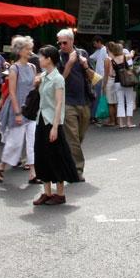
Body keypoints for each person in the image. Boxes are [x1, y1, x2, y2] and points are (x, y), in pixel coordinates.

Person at [32, 44, 79, 205]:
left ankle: (60, 193)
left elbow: (59, 103)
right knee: (42, 155)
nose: (39, 59)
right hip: (41, 119)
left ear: (49, 59)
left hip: (53, 121)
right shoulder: (44, 76)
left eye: (41, 56)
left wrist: (55, 126)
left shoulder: (58, 78)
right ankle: (47, 192)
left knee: (56, 156)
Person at [0, 35, 37, 183]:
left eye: (30, 48)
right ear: (20, 51)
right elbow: (11, 92)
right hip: (17, 108)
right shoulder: (14, 68)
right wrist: (17, 112)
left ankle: (33, 172)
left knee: (32, 141)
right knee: (15, 142)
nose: (30, 51)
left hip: (31, 110)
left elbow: (33, 89)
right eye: (27, 48)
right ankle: (1, 165)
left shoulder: (32, 67)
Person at [55, 28, 91, 182]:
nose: (62, 45)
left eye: (64, 42)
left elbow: (92, 76)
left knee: (78, 137)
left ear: (72, 41)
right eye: (60, 42)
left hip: (84, 101)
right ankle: (77, 170)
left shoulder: (82, 53)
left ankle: (67, 160)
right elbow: (59, 81)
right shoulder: (57, 57)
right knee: (74, 139)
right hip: (67, 102)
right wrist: (69, 64)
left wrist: (85, 65)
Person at [104, 41, 136, 127]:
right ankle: (129, 122)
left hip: (117, 82)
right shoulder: (125, 57)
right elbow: (132, 55)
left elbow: (111, 73)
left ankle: (121, 123)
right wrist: (132, 51)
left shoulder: (112, 60)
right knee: (129, 101)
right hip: (127, 82)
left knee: (120, 102)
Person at [87, 37, 108, 124]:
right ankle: (93, 116)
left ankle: (94, 115)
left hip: (100, 76)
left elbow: (91, 58)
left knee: (97, 97)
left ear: (99, 42)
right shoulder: (99, 50)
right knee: (96, 96)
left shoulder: (104, 50)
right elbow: (90, 57)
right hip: (97, 76)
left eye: (95, 43)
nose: (94, 45)